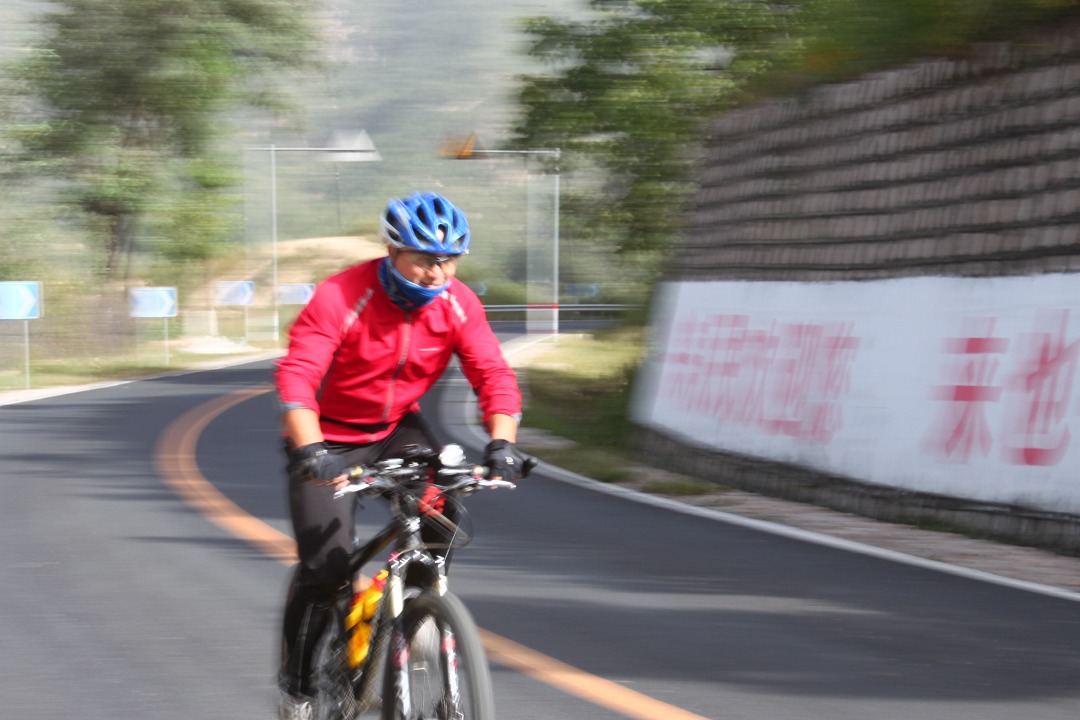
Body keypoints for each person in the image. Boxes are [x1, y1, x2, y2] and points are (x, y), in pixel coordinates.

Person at [274, 191, 529, 720]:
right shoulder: (341, 295)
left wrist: (502, 442)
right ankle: (298, 686)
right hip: (327, 437)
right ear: (392, 250)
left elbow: (493, 375)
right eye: (423, 258)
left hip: (396, 431)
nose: (437, 272)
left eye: (448, 260)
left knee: (443, 511)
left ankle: (422, 614)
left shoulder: (458, 303)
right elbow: (298, 376)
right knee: (325, 569)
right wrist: (310, 450)